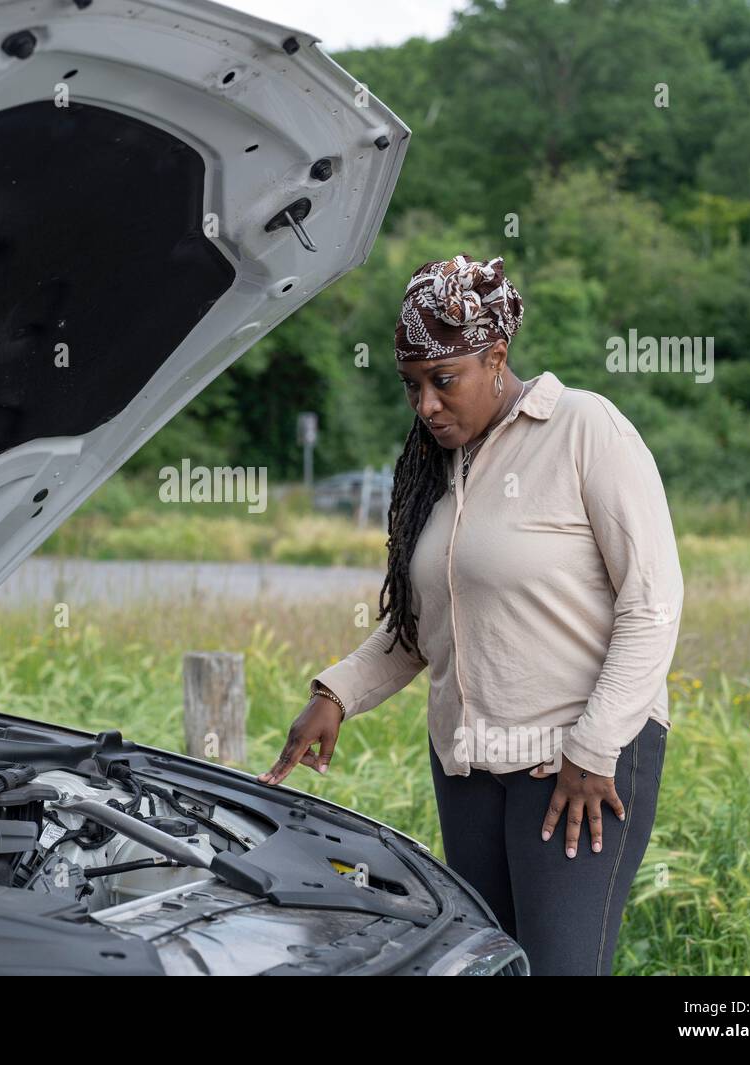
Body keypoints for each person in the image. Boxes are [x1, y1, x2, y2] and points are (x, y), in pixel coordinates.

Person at [257, 253, 684, 976]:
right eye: (413, 386)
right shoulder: (439, 468)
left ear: (496, 357)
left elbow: (654, 601)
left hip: (578, 761)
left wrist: (594, 746)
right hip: (467, 766)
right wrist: (334, 694)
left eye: (443, 380)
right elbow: (419, 630)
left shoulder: (585, 429)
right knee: (484, 967)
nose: (426, 405)